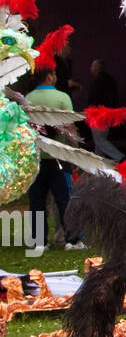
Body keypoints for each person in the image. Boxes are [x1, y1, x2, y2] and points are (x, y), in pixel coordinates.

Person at [25, 69, 79, 249]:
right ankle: (72, 240)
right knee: (64, 199)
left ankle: (39, 241)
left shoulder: (28, 98)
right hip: (58, 156)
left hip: (35, 157)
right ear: (49, 76)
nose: (56, 76)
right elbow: (70, 128)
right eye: (55, 73)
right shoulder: (62, 98)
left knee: (37, 201)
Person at [85, 58, 122, 161]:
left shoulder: (96, 81)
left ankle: (120, 158)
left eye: (92, 66)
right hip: (109, 114)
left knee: (100, 141)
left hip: (98, 115)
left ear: (97, 67)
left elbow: (93, 99)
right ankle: (98, 163)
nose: (90, 68)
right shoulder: (111, 80)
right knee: (100, 141)